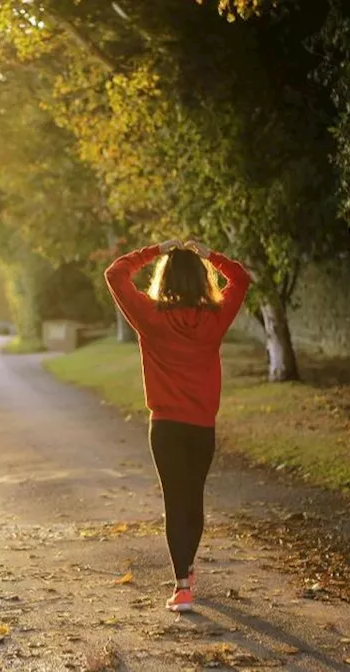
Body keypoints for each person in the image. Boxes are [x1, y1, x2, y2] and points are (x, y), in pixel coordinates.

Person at [104, 238, 251, 613]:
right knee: (193, 498)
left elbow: (115, 273)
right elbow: (241, 278)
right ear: (203, 280)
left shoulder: (150, 317)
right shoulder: (215, 319)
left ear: (164, 279)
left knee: (175, 500)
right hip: (201, 426)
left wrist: (155, 250)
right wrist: (210, 255)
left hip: (166, 427)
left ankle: (182, 585)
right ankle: (186, 569)